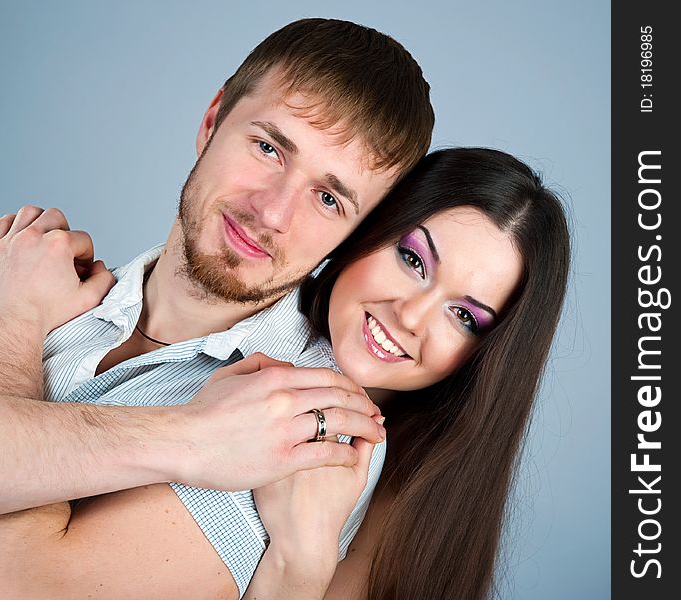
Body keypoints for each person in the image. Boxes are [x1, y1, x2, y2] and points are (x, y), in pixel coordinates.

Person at [0, 18, 434, 600]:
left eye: (328, 199)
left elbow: (3, 589)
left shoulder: (304, 423)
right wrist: (187, 438)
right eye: (268, 147)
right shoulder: (17, 286)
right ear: (211, 121)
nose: (272, 211)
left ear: (354, 235)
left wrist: (5, 332)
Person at [243, 148, 572, 599]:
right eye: (414, 261)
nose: (412, 317)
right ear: (372, 227)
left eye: (464, 316)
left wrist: (304, 557)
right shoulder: (239, 308)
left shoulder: (411, 522)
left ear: (485, 356)